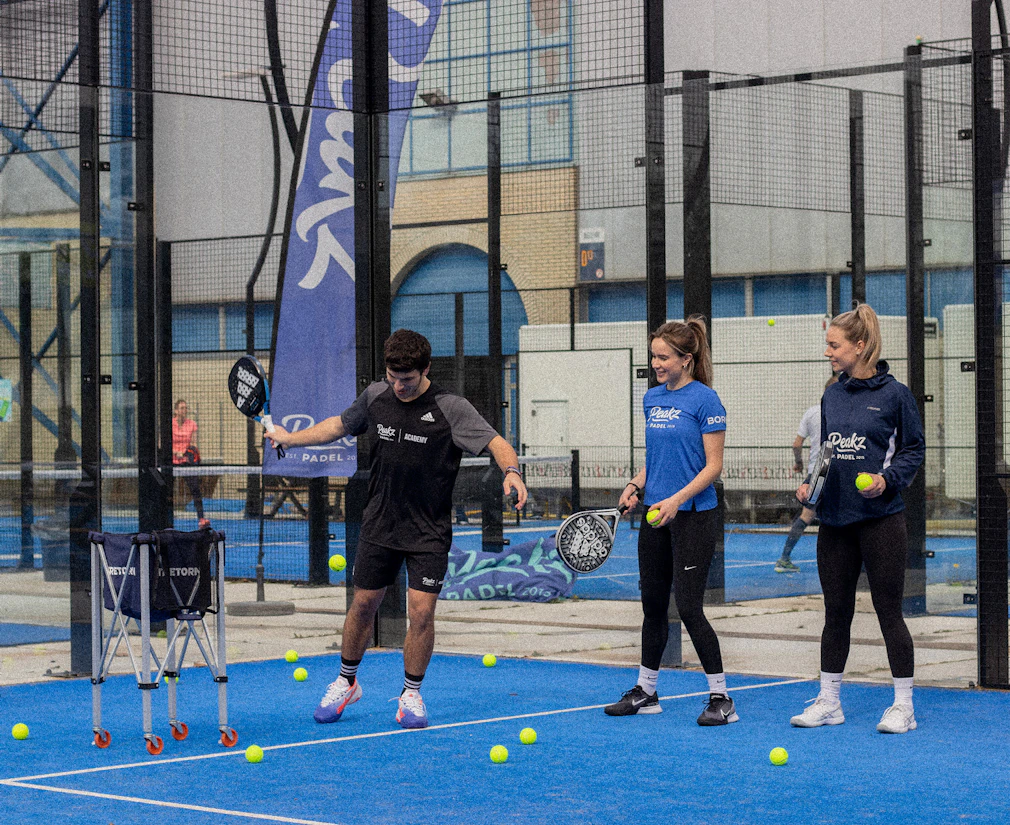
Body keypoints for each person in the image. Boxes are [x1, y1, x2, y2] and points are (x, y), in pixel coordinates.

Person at [265, 329, 528, 730]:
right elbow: (337, 425)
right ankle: (346, 681)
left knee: (421, 613)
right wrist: (289, 438)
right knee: (363, 604)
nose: (399, 386)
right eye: (392, 377)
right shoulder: (375, 396)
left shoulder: (450, 407)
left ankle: (411, 693)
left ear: (425, 369)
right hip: (379, 524)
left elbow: (495, 441)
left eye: (407, 379)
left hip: (428, 530)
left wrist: (512, 472)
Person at [789, 303, 925, 735]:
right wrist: (812, 485)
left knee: (889, 611)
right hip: (835, 522)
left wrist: (887, 482)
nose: (828, 352)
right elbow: (827, 453)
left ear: (860, 345)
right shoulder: (832, 394)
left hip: (882, 520)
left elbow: (913, 451)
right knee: (835, 613)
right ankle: (829, 701)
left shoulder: (896, 395)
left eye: (834, 345)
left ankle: (904, 706)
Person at [606, 316, 736, 726]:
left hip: (694, 516)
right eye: (654, 356)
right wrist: (634, 485)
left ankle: (721, 698)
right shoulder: (652, 399)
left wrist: (678, 499)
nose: (657, 363)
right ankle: (646, 691)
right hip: (654, 514)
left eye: (664, 357)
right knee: (652, 605)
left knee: (690, 607)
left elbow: (712, 466)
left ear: (686, 359)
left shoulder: (706, 400)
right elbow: (656, 461)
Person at [775, 375, 838, 573]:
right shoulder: (843, 412)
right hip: (832, 469)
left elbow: (797, 444)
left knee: (807, 515)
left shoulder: (812, 412)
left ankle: (784, 558)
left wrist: (799, 463)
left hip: (817, 470)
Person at [172, 399, 210, 530]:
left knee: (195, 489)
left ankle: (201, 518)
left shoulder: (192, 424)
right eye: (182, 408)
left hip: (186, 462)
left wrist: (187, 452)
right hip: (171, 462)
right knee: (165, 489)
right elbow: (162, 444)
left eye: (186, 408)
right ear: (176, 411)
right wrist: (175, 452)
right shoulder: (169, 424)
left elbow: (193, 443)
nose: (185, 410)